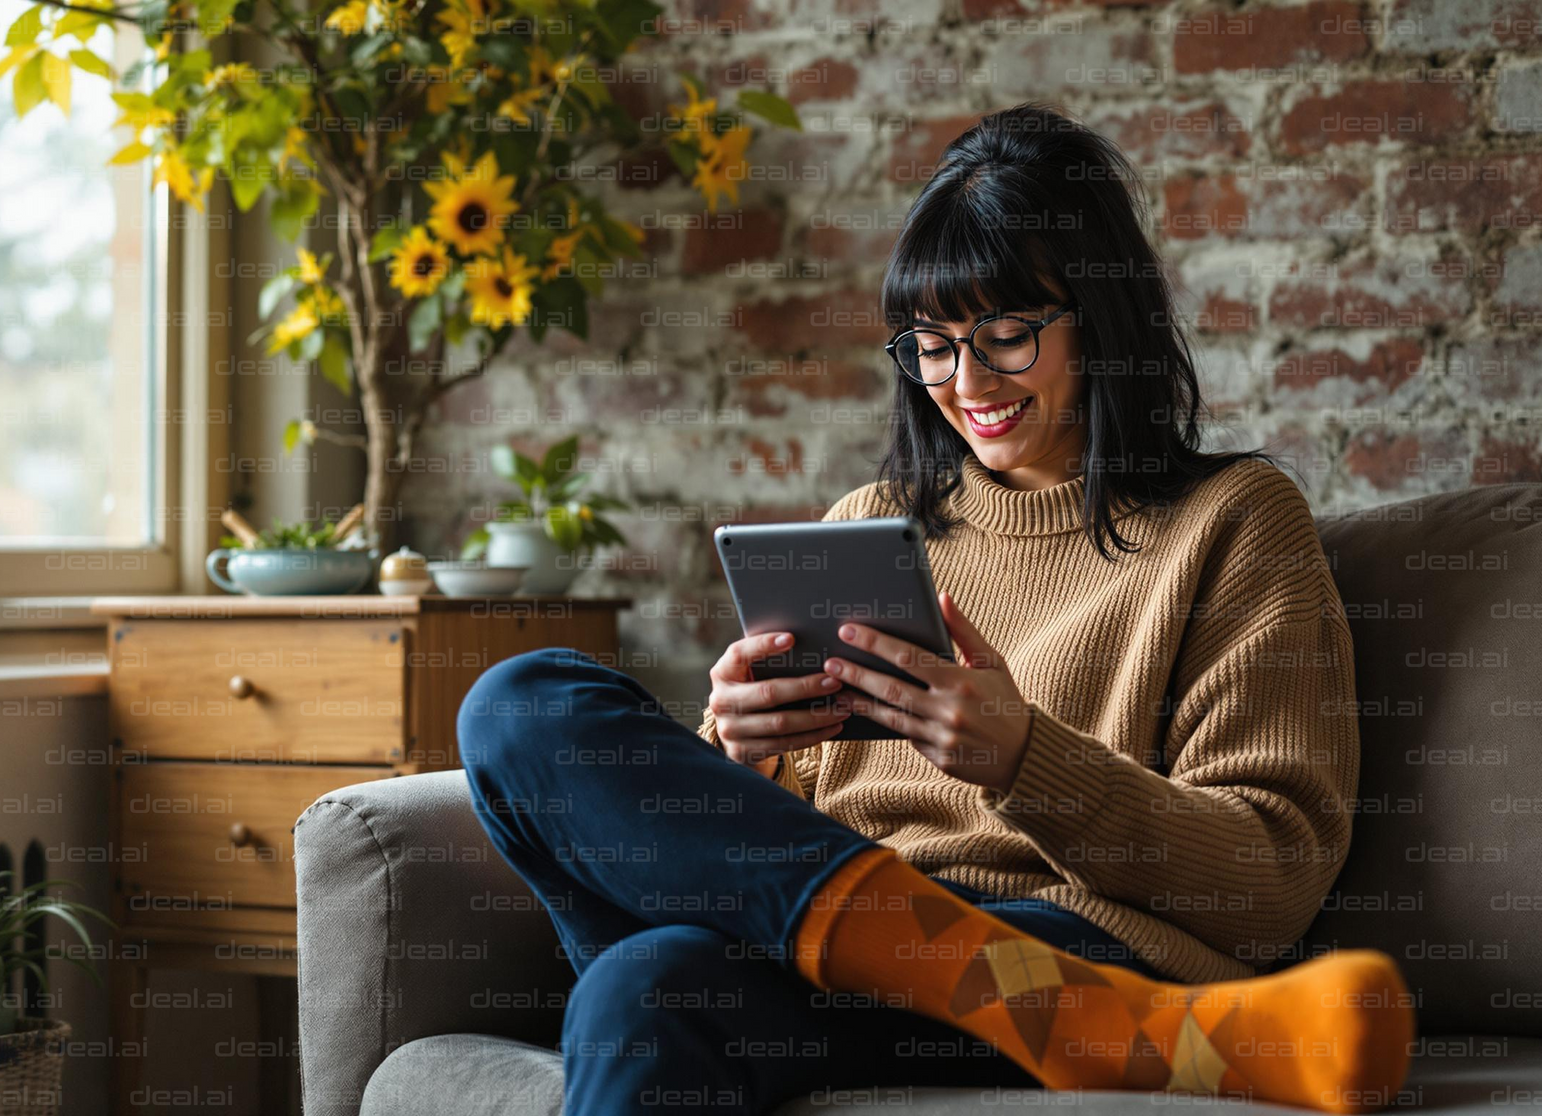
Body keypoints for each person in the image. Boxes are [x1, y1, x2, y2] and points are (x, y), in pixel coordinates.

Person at [458, 101, 1414, 1115]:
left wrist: (1022, 760)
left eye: (1004, 337)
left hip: (1072, 936)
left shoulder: (1231, 524)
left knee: (635, 987)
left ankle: (1066, 996)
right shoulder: (869, 521)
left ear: (1101, 317)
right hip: (844, 959)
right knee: (517, 707)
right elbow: (777, 848)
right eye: (929, 345)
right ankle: (1065, 1018)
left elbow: (1268, 884)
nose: (965, 384)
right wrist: (744, 751)